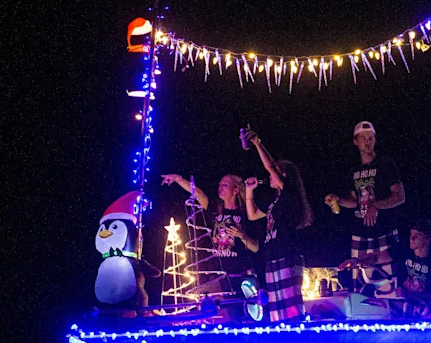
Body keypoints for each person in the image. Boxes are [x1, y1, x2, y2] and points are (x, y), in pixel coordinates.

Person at [162, 173, 260, 319]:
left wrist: (241, 235)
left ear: (235, 190)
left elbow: (255, 247)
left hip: (242, 276)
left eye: (225, 185)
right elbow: (198, 193)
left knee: (247, 318)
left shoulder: (246, 213)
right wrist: (178, 179)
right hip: (220, 277)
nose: (220, 187)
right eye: (219, 184)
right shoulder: (215, 209)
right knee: (225, 318)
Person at [324, 121, 405, 295]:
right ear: (356, 142)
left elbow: (400, 196)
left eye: (370, 138)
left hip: (384, 230)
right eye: (363, 138)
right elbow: (355, 202)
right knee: (361, 288)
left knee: (389, 286)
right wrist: (337, 199)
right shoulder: (354, 170)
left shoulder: (385, 163)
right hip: (360, 234)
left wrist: (376, 206)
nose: (367, 142)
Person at [243, 128, 313, 322]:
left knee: (291, 308)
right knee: (276, 309)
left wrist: (257, 143)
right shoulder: (275, 201)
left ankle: (297, 335)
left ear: (283, 175)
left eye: (274, 172)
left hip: (287, 255)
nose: (269, 176)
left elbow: (270, 166)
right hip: (273, 256)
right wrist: (249, 191)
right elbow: (253, 215)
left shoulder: (290, 194)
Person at [338, 219, 431, 313]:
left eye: (417, 236)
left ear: (428, 239)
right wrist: (357, 261)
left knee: (406, 307)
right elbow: (377, 258)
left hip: (428, 305)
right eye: (411, 235)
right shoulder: (405, 249)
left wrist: (410, 295)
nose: (411, 239)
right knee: (372, 305)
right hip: (405, 301)